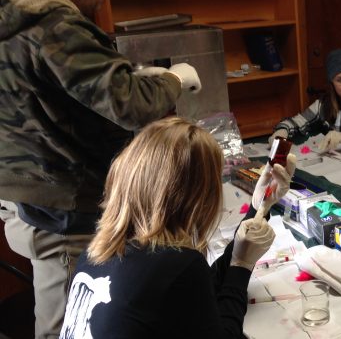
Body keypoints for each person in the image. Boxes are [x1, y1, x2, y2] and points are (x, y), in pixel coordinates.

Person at [0, 0, 201, 336]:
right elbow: (131, 104)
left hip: (33, 192)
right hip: (64, 212)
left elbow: (59, 96)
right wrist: (174, 80)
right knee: (69, 327)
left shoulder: (17, 16)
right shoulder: (56, 26)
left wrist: (128, 76)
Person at [58, 117, 296, 338]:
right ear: (193, 196)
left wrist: (260, 207)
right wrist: (241, 267)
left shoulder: (98, 251)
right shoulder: (177, 264)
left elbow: (198, 293)